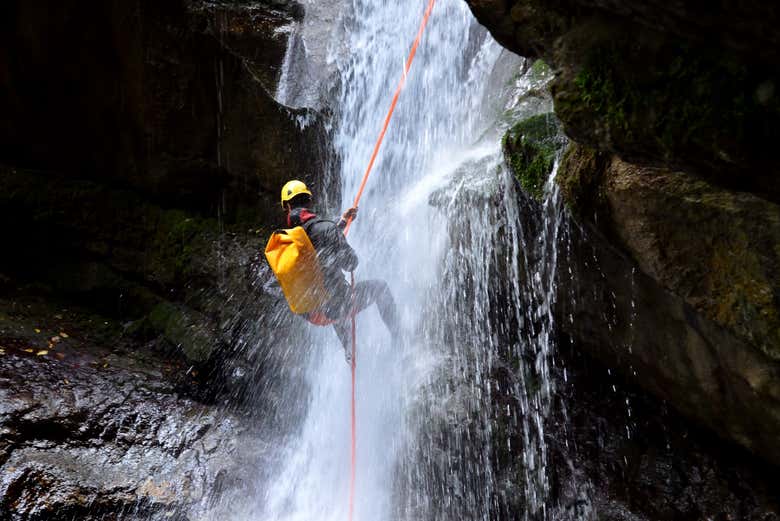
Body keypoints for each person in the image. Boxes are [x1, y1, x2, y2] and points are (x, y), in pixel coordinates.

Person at [279, 180, 401, 357]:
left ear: (288, 207)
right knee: (378, 288)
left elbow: (314, 241)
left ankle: (349, 348)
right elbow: (351, 263)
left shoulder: (289, 239)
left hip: (309, 312)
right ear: (309, 202)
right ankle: (400, 338)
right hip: (333, 308)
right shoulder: (326, 229)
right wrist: (338, 241)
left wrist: (342, 223)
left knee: (328, 288)